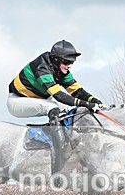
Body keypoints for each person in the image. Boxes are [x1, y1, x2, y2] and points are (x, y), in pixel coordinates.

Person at [8, 40, 104, 172]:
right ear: (56, 60)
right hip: (18, 101)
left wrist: (95, 101)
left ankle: (68, 142)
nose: (69, 65)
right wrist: (88, 104)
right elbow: (58, 95)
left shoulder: (61, 70)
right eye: (66, 62)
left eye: (71, 62)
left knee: (73, 109)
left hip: (38, 99)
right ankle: (60, 151)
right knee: (52, 107)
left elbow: (78, 92)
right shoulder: (42, 67)